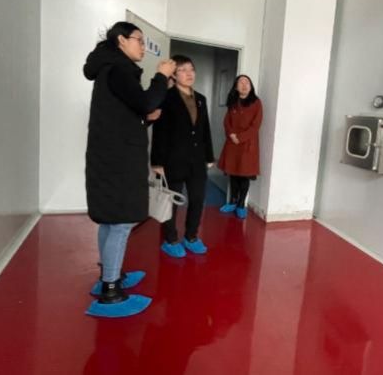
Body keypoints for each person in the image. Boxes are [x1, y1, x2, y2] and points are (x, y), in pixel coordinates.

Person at [83, 21, 175, 317]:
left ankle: (110, 276)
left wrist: (146, 119)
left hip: (110, 157)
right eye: (139, 40)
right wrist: (161, 76)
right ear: (121, 40)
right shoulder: (118, 69)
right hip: (118, 161)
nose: (143, 47)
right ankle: (111, 291)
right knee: (121, 222)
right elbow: (146, 101)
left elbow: (124, 116)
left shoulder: (110, 69)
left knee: (110, 221)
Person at [151, 55, 214, 258]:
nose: (189, 74)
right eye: (182, 70)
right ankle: (170, 240)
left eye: (191, 69)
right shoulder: (166, 97)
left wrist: (209, 156)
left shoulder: (201, 99)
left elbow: (205, 130)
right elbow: (159, 132)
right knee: (170, 202)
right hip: (172, 160)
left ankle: (191, 237)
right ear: (174, 75)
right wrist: (157, 162)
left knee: (197, 199)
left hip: (197, 161)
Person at [217, 75, 262, 219]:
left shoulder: (256, 103)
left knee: (244, 175)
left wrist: (240, 137)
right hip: (232, 143)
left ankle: (241, 204)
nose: (244, 85)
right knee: (233, 173)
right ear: (236, 87)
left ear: (251, 86)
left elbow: (256, 125)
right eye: (240, 82)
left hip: (248, 144)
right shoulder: (233, 102)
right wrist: (231, 134)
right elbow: (227, 122)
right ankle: (232, 201)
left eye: (247, 82)